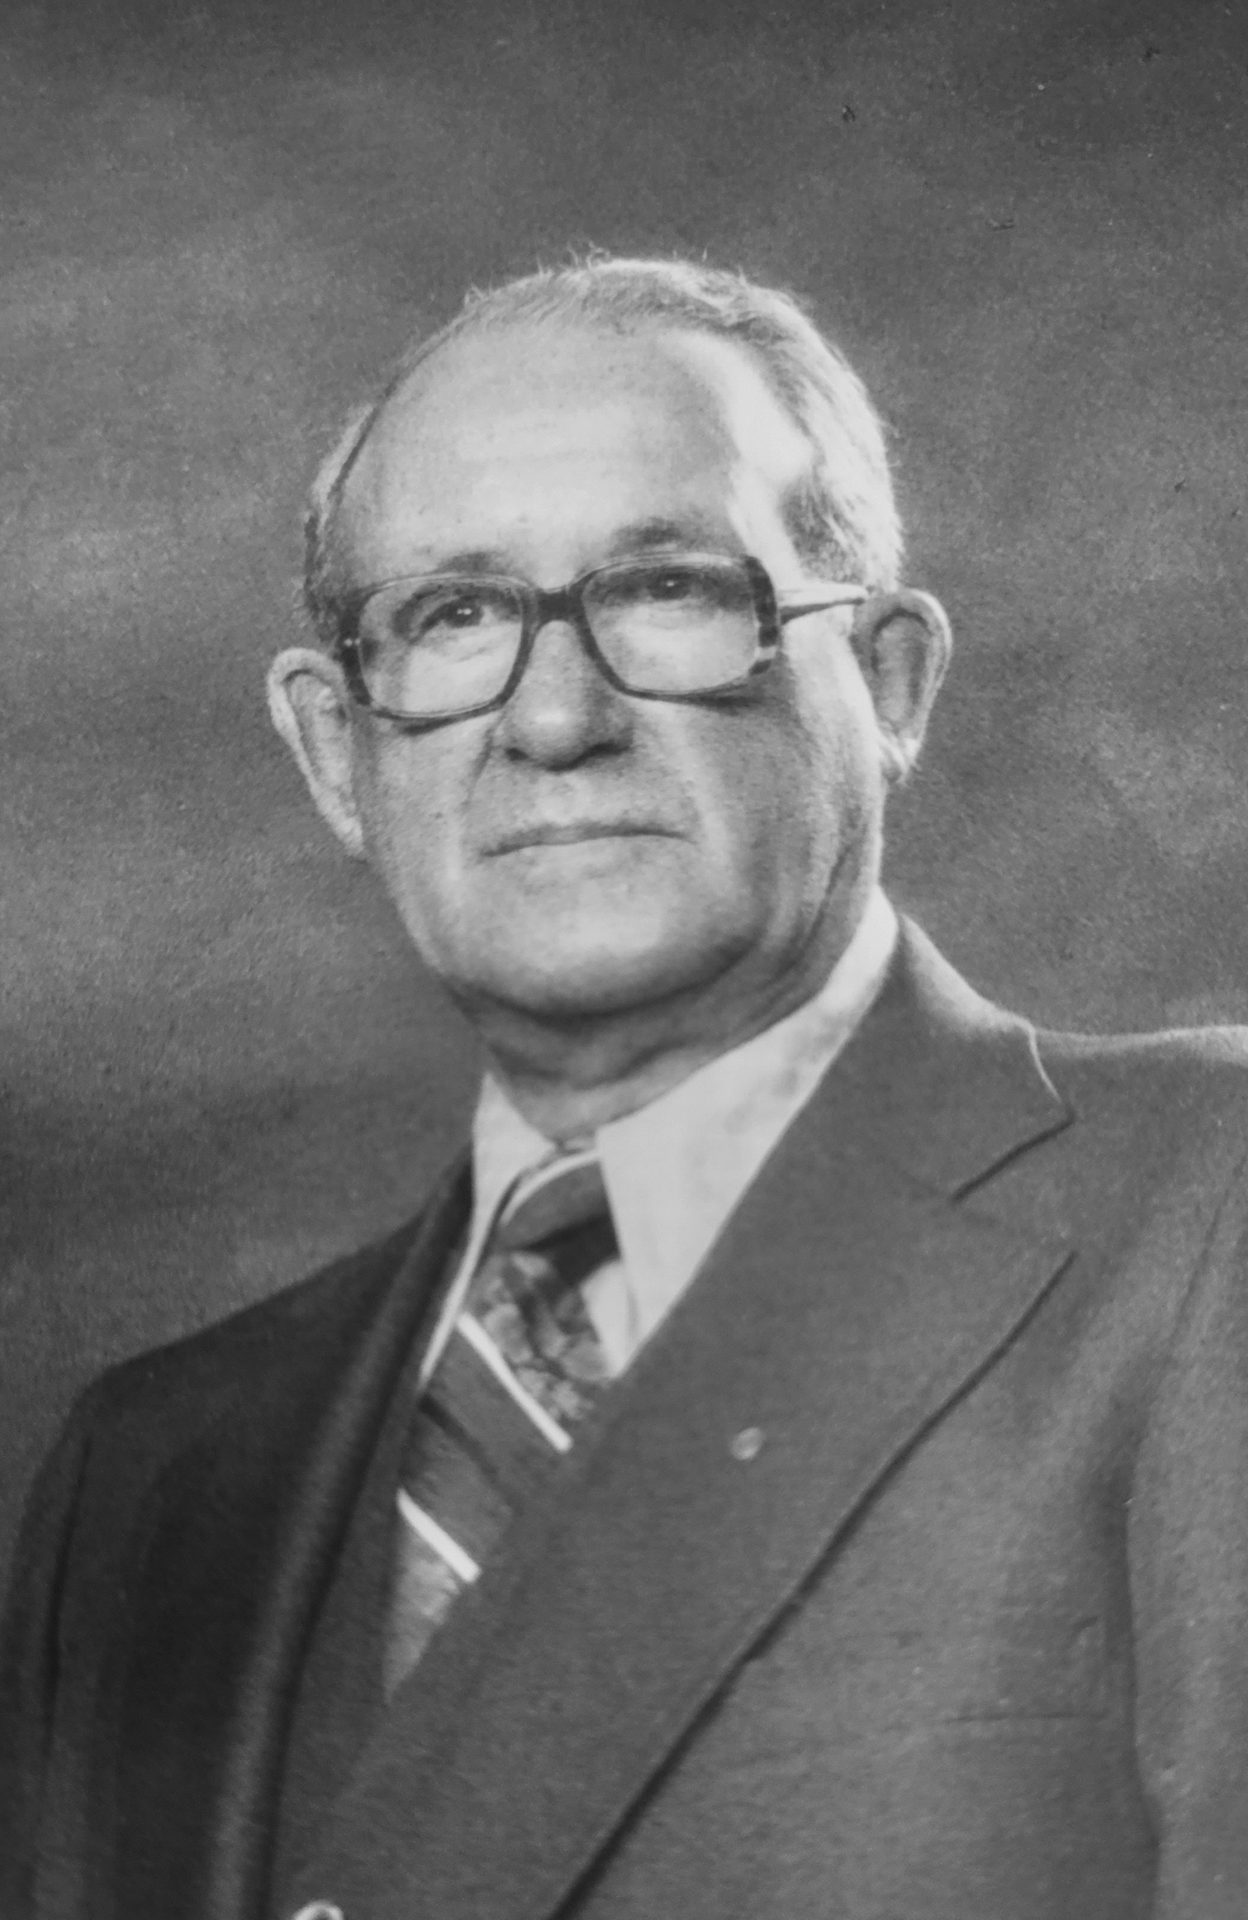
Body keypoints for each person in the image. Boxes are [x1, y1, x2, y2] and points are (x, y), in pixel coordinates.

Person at [3, 257, 1248, 1920]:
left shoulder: (1205, 1214)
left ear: (888, 682)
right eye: (453, 619)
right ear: (334, 752)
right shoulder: (151, 1469)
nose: (559, 717)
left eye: (669, 589)